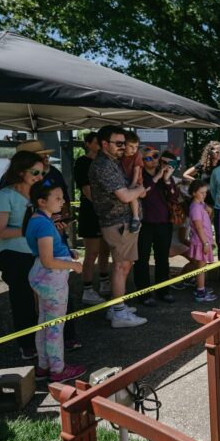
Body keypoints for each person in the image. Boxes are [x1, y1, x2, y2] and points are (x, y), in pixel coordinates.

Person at [23, 179, 86, 383]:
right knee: (55, 327)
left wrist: (68, 252)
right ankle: (58, 369)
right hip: (52, 279)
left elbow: (49, 252)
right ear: (42, 201)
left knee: (44, 323)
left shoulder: (40, 220)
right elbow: (48, 259)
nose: (62, 202)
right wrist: (72, 265)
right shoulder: (42, 223)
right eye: (57, 198)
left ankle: (43, 366)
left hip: (44, 277)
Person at [89, 125, 148, 328]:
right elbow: (125, 195)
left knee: (124, 265)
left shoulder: (112, 162)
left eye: (125, 143)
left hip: (123, 223)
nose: (123, 147)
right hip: (117, 224)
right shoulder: (103, 165)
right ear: (105, 144)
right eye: (119, 143)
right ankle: (119, 313)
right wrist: (140, 188)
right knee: (121, 266)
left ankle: (116, 307)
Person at [0, 151, 45, 359]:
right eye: (36, 172)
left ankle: (52, 337)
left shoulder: (39, 192)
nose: (40, 177)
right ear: (21, 171)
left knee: (47, 298)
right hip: (14, 255)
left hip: (39, 252)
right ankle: (27, 343)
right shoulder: (4, 195)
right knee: (22, 300)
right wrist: (29, 229)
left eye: (42, 173)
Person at [134, 148, 179, 306]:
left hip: (164, 224)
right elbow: (143, 193)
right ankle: (144, 294)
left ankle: (163, 291)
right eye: (147, 158)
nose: (152, 160)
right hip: (144, 224)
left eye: (154, 156)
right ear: (142, 161)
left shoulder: (165, 175)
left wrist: (166, 180)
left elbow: (174, 196)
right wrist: (157, 178)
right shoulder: (139, 175)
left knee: (162, 259)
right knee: (142, 260)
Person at [74, 131, 109, 305]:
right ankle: (87, 289)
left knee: (105, 250)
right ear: (88, 143)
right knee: (92, 252)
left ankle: (104, 282)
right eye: (97, 142)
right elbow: (87, 190)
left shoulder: (106, 162)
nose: (101, 146)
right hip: (91, 213)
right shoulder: (81, 162)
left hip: (106, 213)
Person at [185, 180, 219, 303]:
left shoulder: (200, 204)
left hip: (204, 240)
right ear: (194, 193)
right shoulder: (195, 208)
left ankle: (201, 287)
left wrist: (206, 206)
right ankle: (200, 292)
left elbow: (204, 206)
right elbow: (199, 227)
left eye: (205, 192)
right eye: (201, 193)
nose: (204, 195)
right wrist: (205, 243)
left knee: (202, 266)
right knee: (201, 267)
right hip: (200, 242)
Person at [119, 131, 144, 233]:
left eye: (136, 146)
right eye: (131, 146)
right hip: (124, 180)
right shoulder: (120, 154)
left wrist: (133, 185)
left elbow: (136, 170)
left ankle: (135, 217)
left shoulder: (137, 155)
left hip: (136, 180)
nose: (134, 149)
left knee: (133, 197)